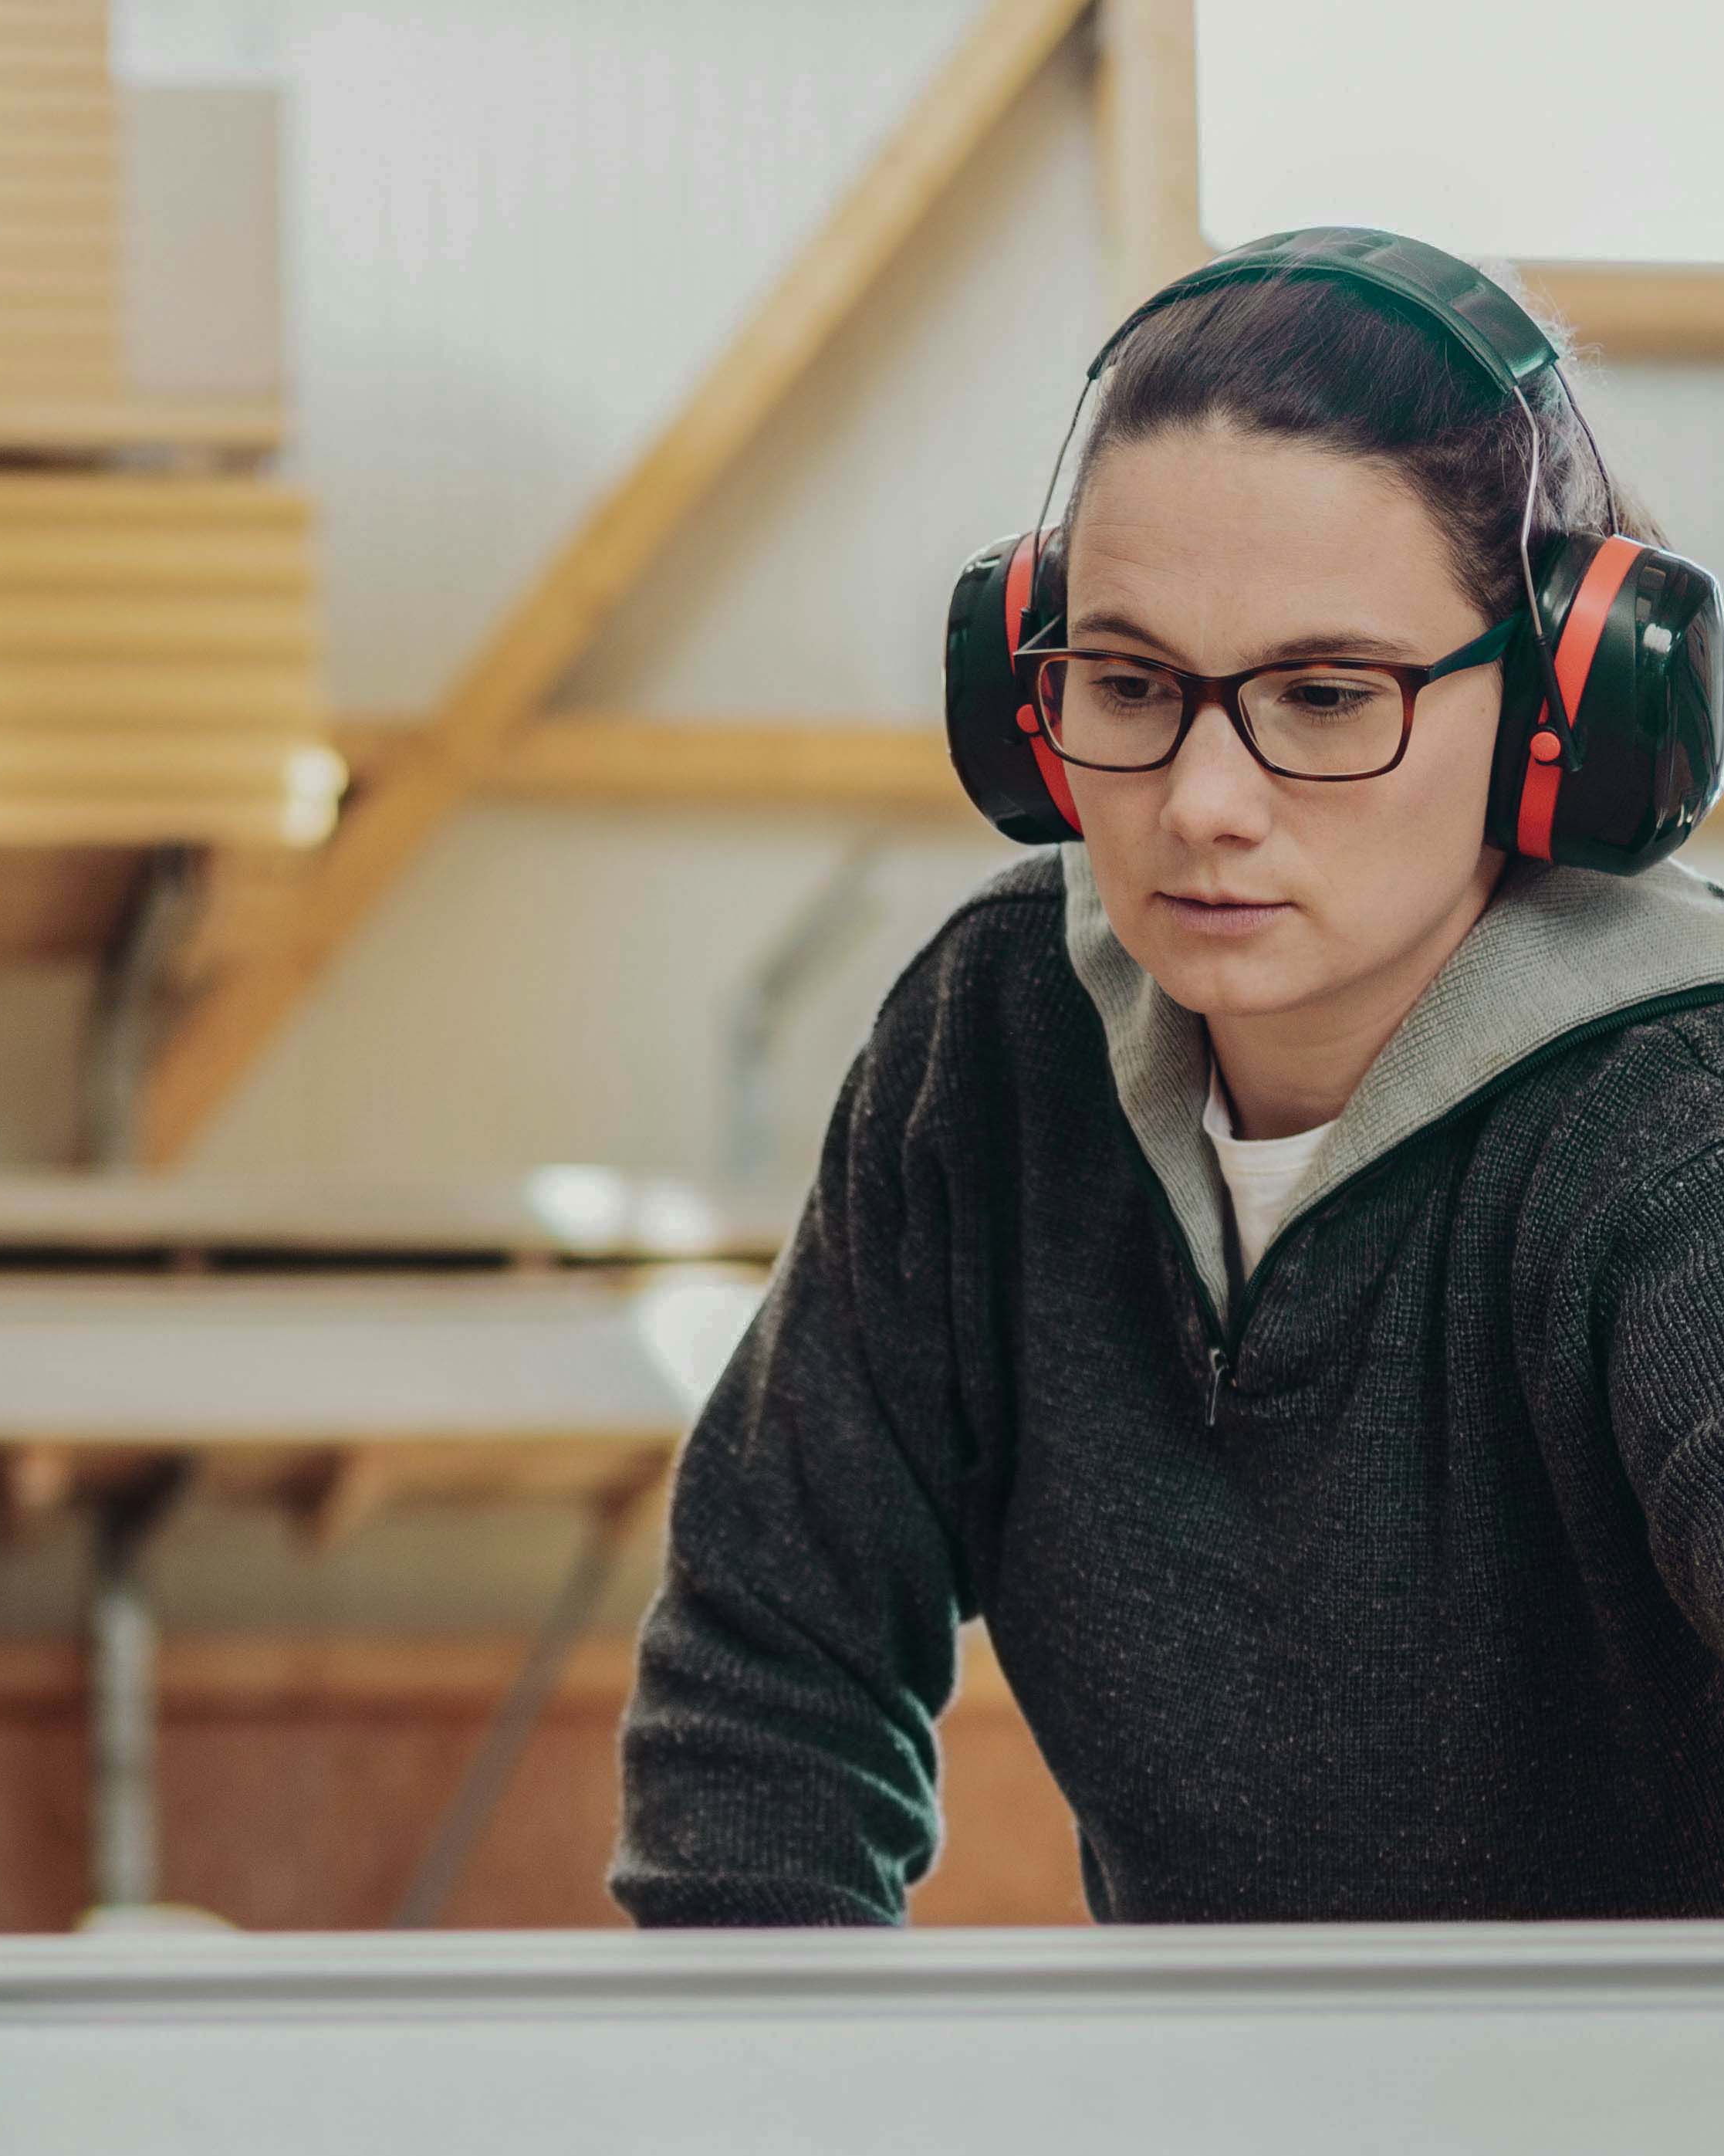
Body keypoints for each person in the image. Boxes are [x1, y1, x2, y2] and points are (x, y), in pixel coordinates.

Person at [613, 235, 1724, 1926]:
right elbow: (770, 1663)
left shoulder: (1673, 1133)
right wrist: (778, 2110)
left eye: (1324, 694)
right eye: (1127, 682)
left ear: (1562, 709)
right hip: (1210, 2141)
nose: (1202, 798)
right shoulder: (993, 1041)